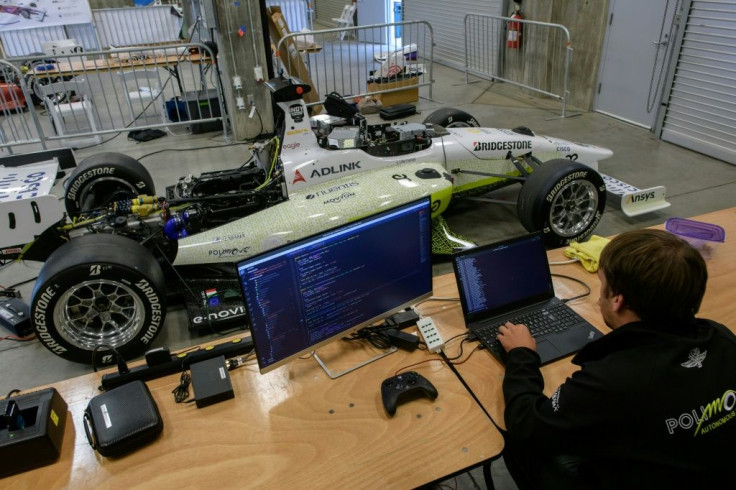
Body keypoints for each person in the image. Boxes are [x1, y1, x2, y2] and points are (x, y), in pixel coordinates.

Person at [496, 229, 736, 489]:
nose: (599, 296)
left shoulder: (614, 379)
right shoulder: (721, 338)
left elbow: (527, 424)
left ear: (617, 301)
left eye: (602, 284)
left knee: (510, 437)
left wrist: (522, 354)